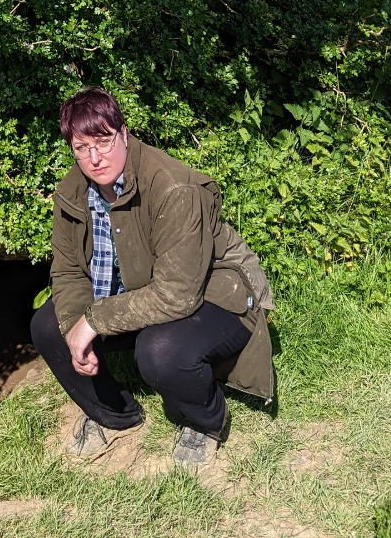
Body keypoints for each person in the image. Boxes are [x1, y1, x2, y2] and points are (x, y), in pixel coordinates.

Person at [30, 86, 275, 468]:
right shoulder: (71, 192)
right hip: (141, 291)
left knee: (159, 351)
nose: (94, 158)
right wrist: (75, 330)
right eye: (81, 148)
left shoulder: (172, 187)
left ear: (124, 134)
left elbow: (178, 294)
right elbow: (67, 271)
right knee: (48, 326)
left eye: (104, 142)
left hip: (217, 293)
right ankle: (115, 415)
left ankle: (205, 420)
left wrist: (93, 321)